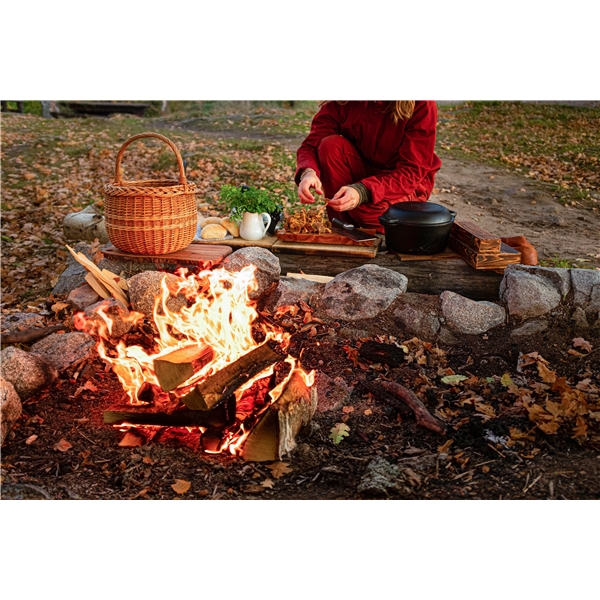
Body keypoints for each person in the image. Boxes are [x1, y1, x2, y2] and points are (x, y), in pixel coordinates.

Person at [295, 101, 442, 233]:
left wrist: (363, 191)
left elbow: (412, 171)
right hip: (363, 172)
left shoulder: (421, 103)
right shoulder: (343, 100)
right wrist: (308, 172)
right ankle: (341, 229)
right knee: (330, 146)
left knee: (364, 212)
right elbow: (311, 145)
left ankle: (387, 233)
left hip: (404, 182)